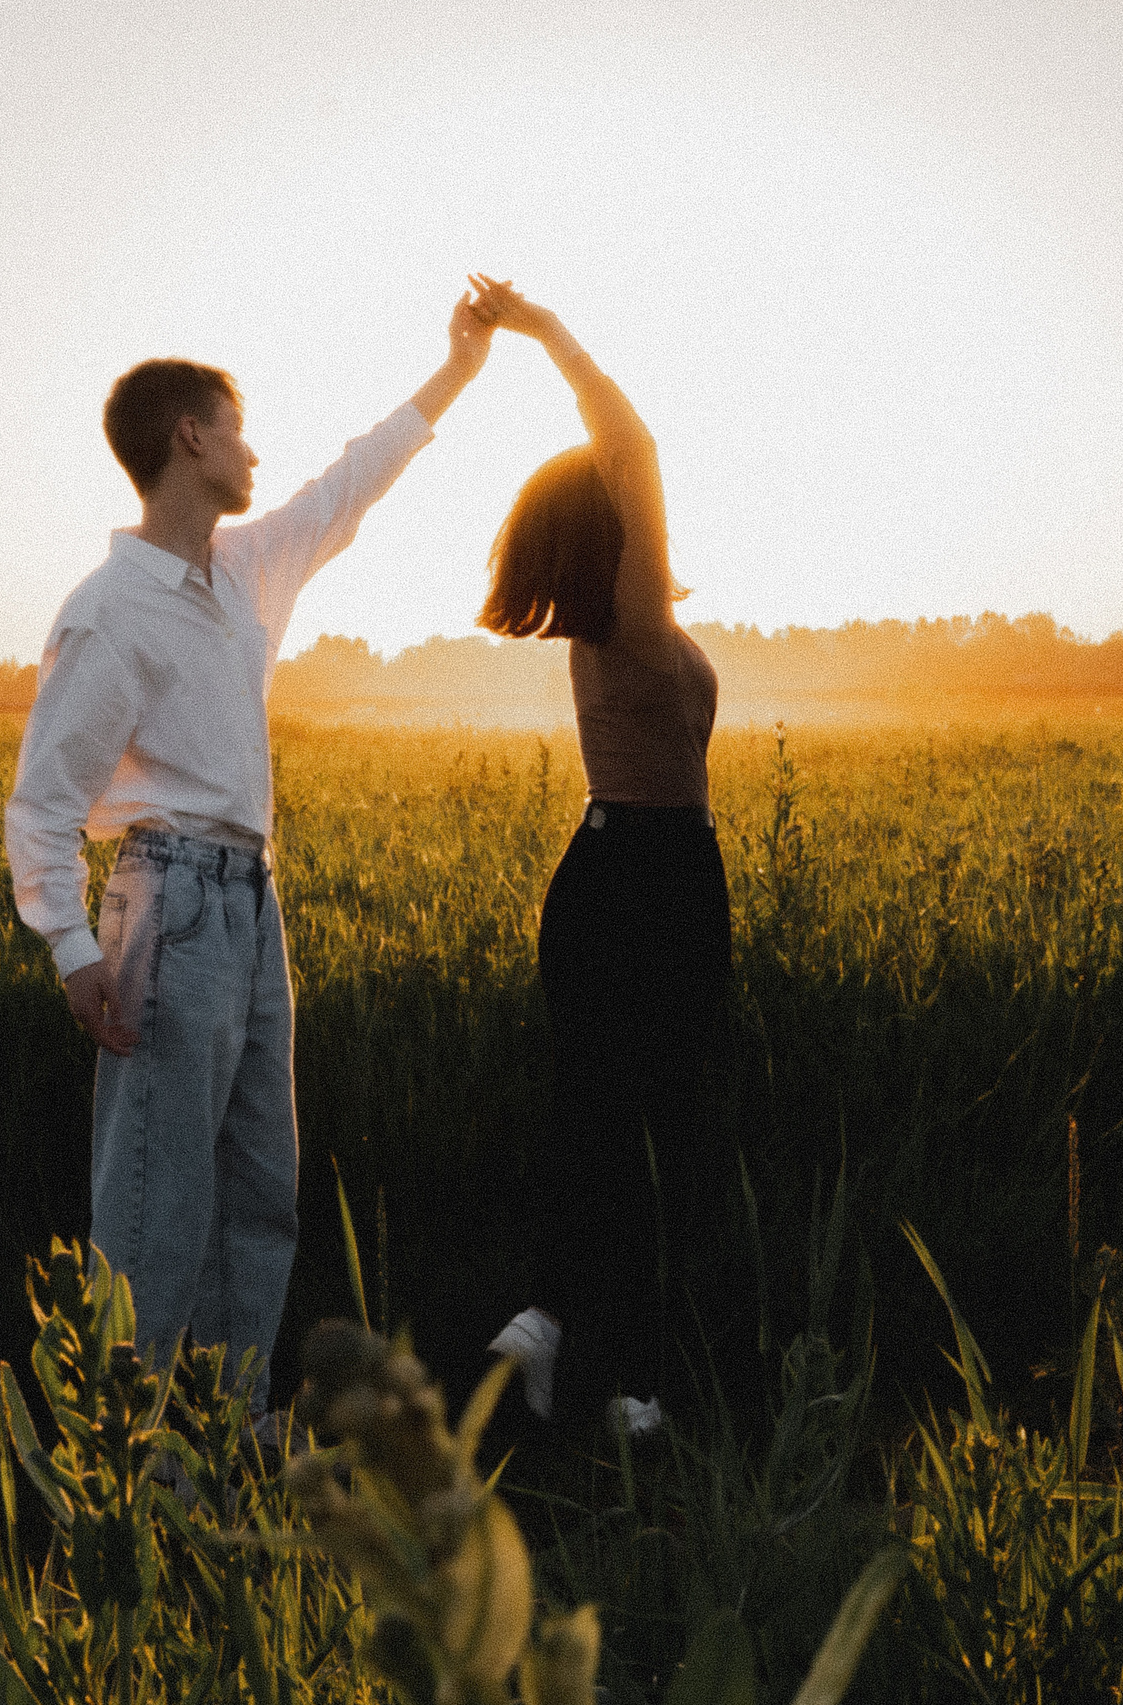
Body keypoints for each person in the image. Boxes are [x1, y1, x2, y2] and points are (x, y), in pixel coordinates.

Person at [4, 290, 495, 1414]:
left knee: (259, 1194)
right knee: (153, 1204)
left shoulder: (245, 570)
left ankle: (225, 1446)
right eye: (234, 426)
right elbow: (41, 805)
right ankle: (131, 1474)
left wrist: (454, 372)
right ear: (189, 437)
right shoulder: (111, 610)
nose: (252, 449)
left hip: (249, 905)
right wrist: (74, 951)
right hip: (166, 899)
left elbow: (349, 479)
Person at [468, 277, 729, 1438]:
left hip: (601, 873)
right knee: (671, 1135)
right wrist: (544, 333)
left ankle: (550, 1331)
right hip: (658, 878)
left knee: (597, 1124)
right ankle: (638, 1389)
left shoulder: (611, 628)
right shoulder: (629, 624)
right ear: (615, 532)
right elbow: (631, 440)